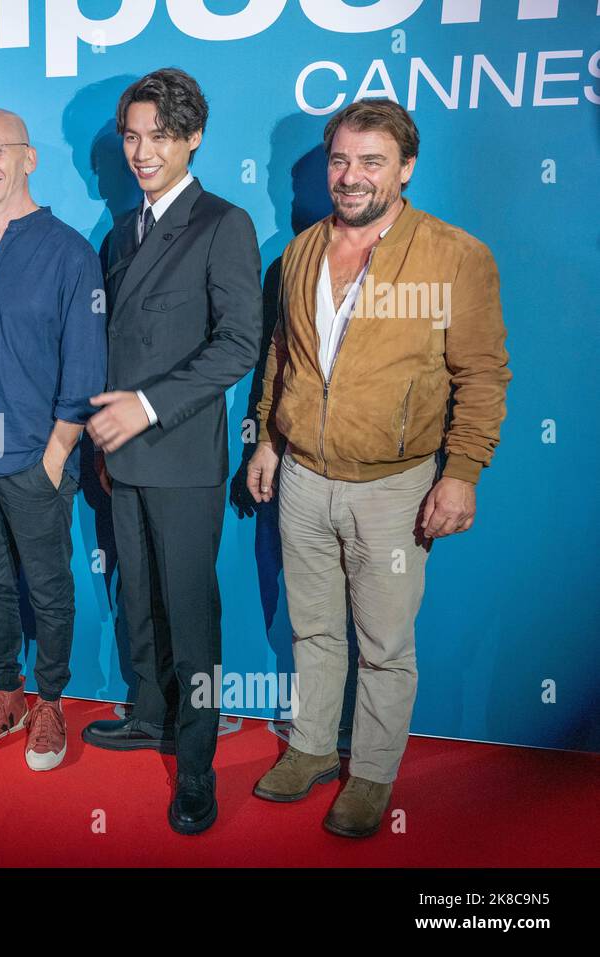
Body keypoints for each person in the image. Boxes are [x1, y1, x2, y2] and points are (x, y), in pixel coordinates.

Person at [247, 99, 511, 838]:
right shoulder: (299, 252)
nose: (351, 176)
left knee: (386, 645)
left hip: (397, 486)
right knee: (313, 629)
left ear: (406, 168)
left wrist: (462, 471)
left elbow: (483, 375)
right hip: (302, 477)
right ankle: (310, 749)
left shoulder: (453, 254)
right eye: (340, 160)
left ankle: (370, 771)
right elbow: (284, 356)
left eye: (370, 162)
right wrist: (269, 437)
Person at [84, 69, 263, 834]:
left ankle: (196, 766)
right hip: (121, 459)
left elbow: (241, 344)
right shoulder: (120, 230)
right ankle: (149, 713)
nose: (141, 150)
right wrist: (105, 430)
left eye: (159, 135)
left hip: (184, 459)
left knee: (192, 620)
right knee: (138, 600)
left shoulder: (224, 223)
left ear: (193, 138)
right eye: (131, 134)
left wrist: (147, 406)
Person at [0, 109, 107, 771]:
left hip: (40, 456)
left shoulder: (70, 252)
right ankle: (5, 694)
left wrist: (59, 451)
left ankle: (50, 704)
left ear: (28, 159)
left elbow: (87, 365)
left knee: (48, 585)